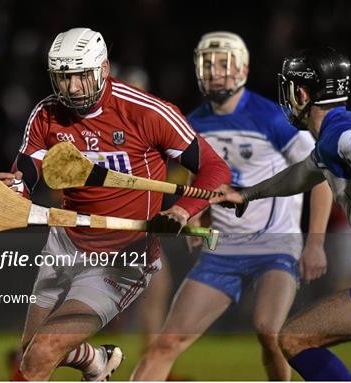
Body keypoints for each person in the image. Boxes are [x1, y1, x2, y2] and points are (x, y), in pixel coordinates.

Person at [0, 27, 231, 381]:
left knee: (43, 351)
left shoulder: (146, 112)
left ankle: (102, 361)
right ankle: (96, 361)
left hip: (123, 256)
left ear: (103, 69)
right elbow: (27, 170)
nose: (71, 88)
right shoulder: (47, 114)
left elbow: (214, 167)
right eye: (62, 78)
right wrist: (14, 189)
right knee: (29, 356)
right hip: (64, 244)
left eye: (80, 76)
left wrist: (182, 210)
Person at [211, 47, 351, 381]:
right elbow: (302, 173)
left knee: (294, 337)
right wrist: (246, 194)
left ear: (301, 92)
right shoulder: (336, 136)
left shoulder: (337, 136)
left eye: (289, 88)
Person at [131, 31, 333, 381]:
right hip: (222, 251)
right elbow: (202, 183)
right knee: (166, 344)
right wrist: (200, 214)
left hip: (275, 245)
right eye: (208, 64)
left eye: (224, 63)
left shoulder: (273, 118)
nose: (216, 71)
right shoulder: (191, 124)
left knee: (270, 332)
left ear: (243, 68)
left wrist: (315, 243)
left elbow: (321, 178)